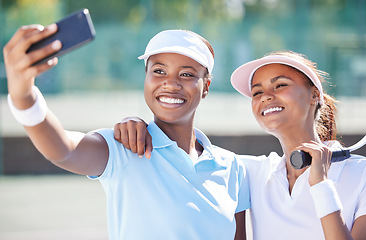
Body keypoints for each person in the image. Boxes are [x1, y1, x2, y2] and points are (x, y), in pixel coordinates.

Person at [4, 25, 250, 240]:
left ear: (205, 86)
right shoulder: (123, 147)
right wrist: (23, 95)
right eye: (159, 71)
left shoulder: (232, 168)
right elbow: (63, 150)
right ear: (146, 77)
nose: (171, 83)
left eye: (186, 74)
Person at [114, 50, 366, 239]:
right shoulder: (248, 172)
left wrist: (322, 187)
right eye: (257, 92)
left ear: (315, 94)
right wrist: (137, 124)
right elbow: (187, 155)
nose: (266, 96)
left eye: (279, 85)